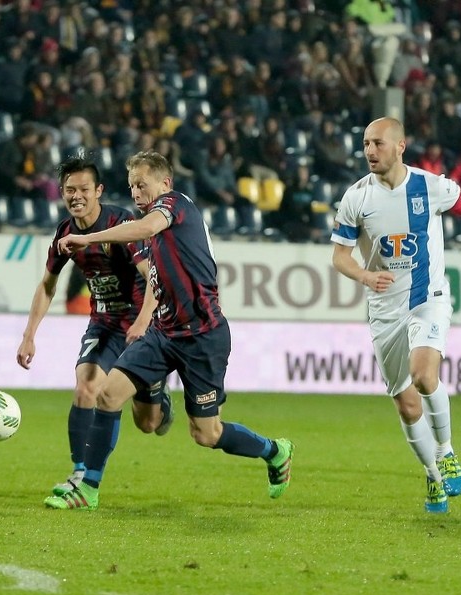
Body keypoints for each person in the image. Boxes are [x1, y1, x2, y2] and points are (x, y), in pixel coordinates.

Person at [47, 151, 294, 510]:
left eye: (141, 184)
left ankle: (275, 450)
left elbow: (147, 227)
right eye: (131, 185)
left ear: (164, 183)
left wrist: (88, 238)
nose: (135, 192)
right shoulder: (150, 228)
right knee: (107, 394)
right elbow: (153, 273)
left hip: (203, 337)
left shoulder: (175, 205)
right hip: (164, 333)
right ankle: (88, 489)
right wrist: (146, 318)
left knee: (205, 434)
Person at [331, 117, 461, 514]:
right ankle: (432, 475)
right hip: (384, 310)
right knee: (407, 406)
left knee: (425, 375)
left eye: (377, 143)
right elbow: (340, 256)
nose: (369, 151)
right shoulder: (356, 197)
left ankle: (444, 451)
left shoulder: (432, 187)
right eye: (365, 143)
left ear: (400, 146)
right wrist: (365, 274)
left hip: (429, 296)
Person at [17, 156, 172, 498]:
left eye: (84, 189)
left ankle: (158, 394)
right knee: (86, 387)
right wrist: (29, 335)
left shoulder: (121, 222)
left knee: (148, 423)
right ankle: (80, 474)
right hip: (103, 323)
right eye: (70, 190)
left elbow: (152, 277)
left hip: (138, 323)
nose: (77, 196)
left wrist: (147, 321)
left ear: (98, 190)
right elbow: (47, 285)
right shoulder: (65, 232)